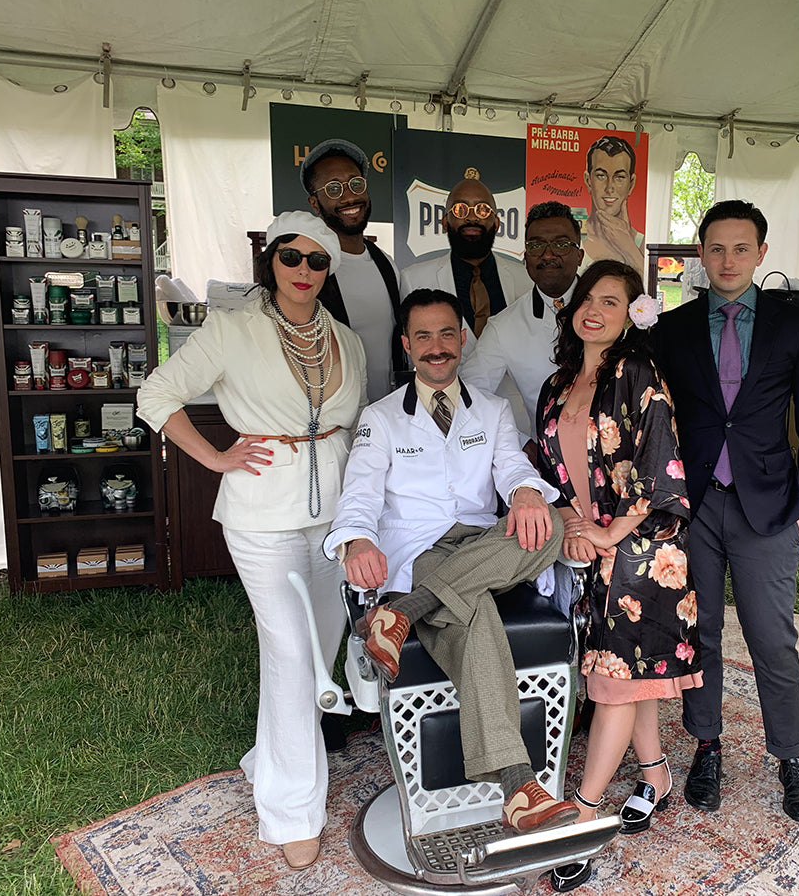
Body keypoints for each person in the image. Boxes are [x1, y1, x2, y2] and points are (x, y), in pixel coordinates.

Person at [137, 212, 367, 870]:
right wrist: (212, 457)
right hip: (261, 516)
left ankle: (267, 757)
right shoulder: (232, 330)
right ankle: (292, 809)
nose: (302, 269)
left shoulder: (346, 341)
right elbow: (156, 393)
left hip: (333, 519)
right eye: (290, 256)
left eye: (316, 260)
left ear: (329, 270)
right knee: (292, 655)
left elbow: (357, 429)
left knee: (318, 651)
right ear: (271, 261)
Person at [321, 289, 580, 835]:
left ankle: (404, 614)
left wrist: (528, 492)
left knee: (554, 521)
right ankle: (519, 787)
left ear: (462, 339)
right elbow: (361, 493)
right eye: (423, 337)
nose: (436, 348)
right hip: (420, 552)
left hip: (480, 545)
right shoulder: (381, 418)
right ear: (406, 345)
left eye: (446, 334)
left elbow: (511, 466)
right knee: (473, 607)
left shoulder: (491, 410)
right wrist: (356, 541)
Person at [649, 200, 799, 824]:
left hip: (772, 505)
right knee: (698, 634)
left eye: (740, 248)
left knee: (771, 637)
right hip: (696, 506)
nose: (728, 260)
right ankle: (707, 746)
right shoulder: (671, 330)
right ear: (700, 254)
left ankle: (791, 755)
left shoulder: (795, 324)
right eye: (716, 248)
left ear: (760, 253)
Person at [536, 260, 702, 892]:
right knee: (626, 679)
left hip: (642, 551)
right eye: (588, 298)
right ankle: (655, 774)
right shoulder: (557, 384)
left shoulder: (638, 374)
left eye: (613, 300)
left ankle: (581, 815)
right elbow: (549, 471)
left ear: (635, 313)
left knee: (609, 683)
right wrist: (570, 522)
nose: (595, 310)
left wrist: (608, 533)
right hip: (588, 547)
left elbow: (665, 479)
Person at [463, 200, 584, 441]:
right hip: (545, 464)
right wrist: (519, 442)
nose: (548, 254)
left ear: (579, 255)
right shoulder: (503, 327)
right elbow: (467, 398)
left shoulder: (613, 311)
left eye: (560, 244)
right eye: (536, 245)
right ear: (526, 257)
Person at [302, 137, 405, 401]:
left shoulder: (386, 264)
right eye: (334, 188)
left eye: (355, 183)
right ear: (315, 203)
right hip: (330, 422)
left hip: (385, 420)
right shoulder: (308, 270)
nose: (349, 196)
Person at [400, 176, 531, 352]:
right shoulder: (413, 279)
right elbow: (411, 351)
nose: (471, 217)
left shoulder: (525, 279)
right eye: (460, 209)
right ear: (445, 222)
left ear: (497, 224)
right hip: (446, 380)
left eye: (482, 210)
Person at [581, 135, 645, 274]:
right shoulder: (575, 240)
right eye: (601, 176)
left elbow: (648, 290)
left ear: (631, 183)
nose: (610, 188)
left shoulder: (642, 243)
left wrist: (628, 246)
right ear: (588, 180)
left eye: (620, 177)